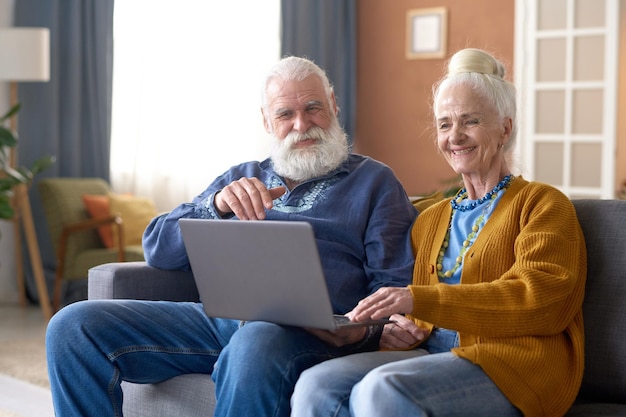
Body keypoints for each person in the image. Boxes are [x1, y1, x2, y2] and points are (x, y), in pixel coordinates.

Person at [45, 56, 418, 417]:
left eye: (313, 107)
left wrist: (361, 332)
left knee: (254, 342)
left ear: (334, 105)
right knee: (72, 326)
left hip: (311, 335)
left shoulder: (375, 182)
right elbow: (157, 246)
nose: (302, 125)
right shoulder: (242, 175)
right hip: (217, 321)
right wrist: (217, 205)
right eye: (285, 114)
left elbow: (393, 285)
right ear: (267, 122)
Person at [291, 48, 587, 417]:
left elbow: (544, 302)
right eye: (445, 124)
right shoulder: (430, 218)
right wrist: (396, 330)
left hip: (514, 363)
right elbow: (411, 304)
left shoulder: (542, 205)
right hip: (433, 353)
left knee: (381, 390)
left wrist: (420, 302)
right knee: (315, 386)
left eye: (470, 121)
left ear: (505, 128)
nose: (455, 136)